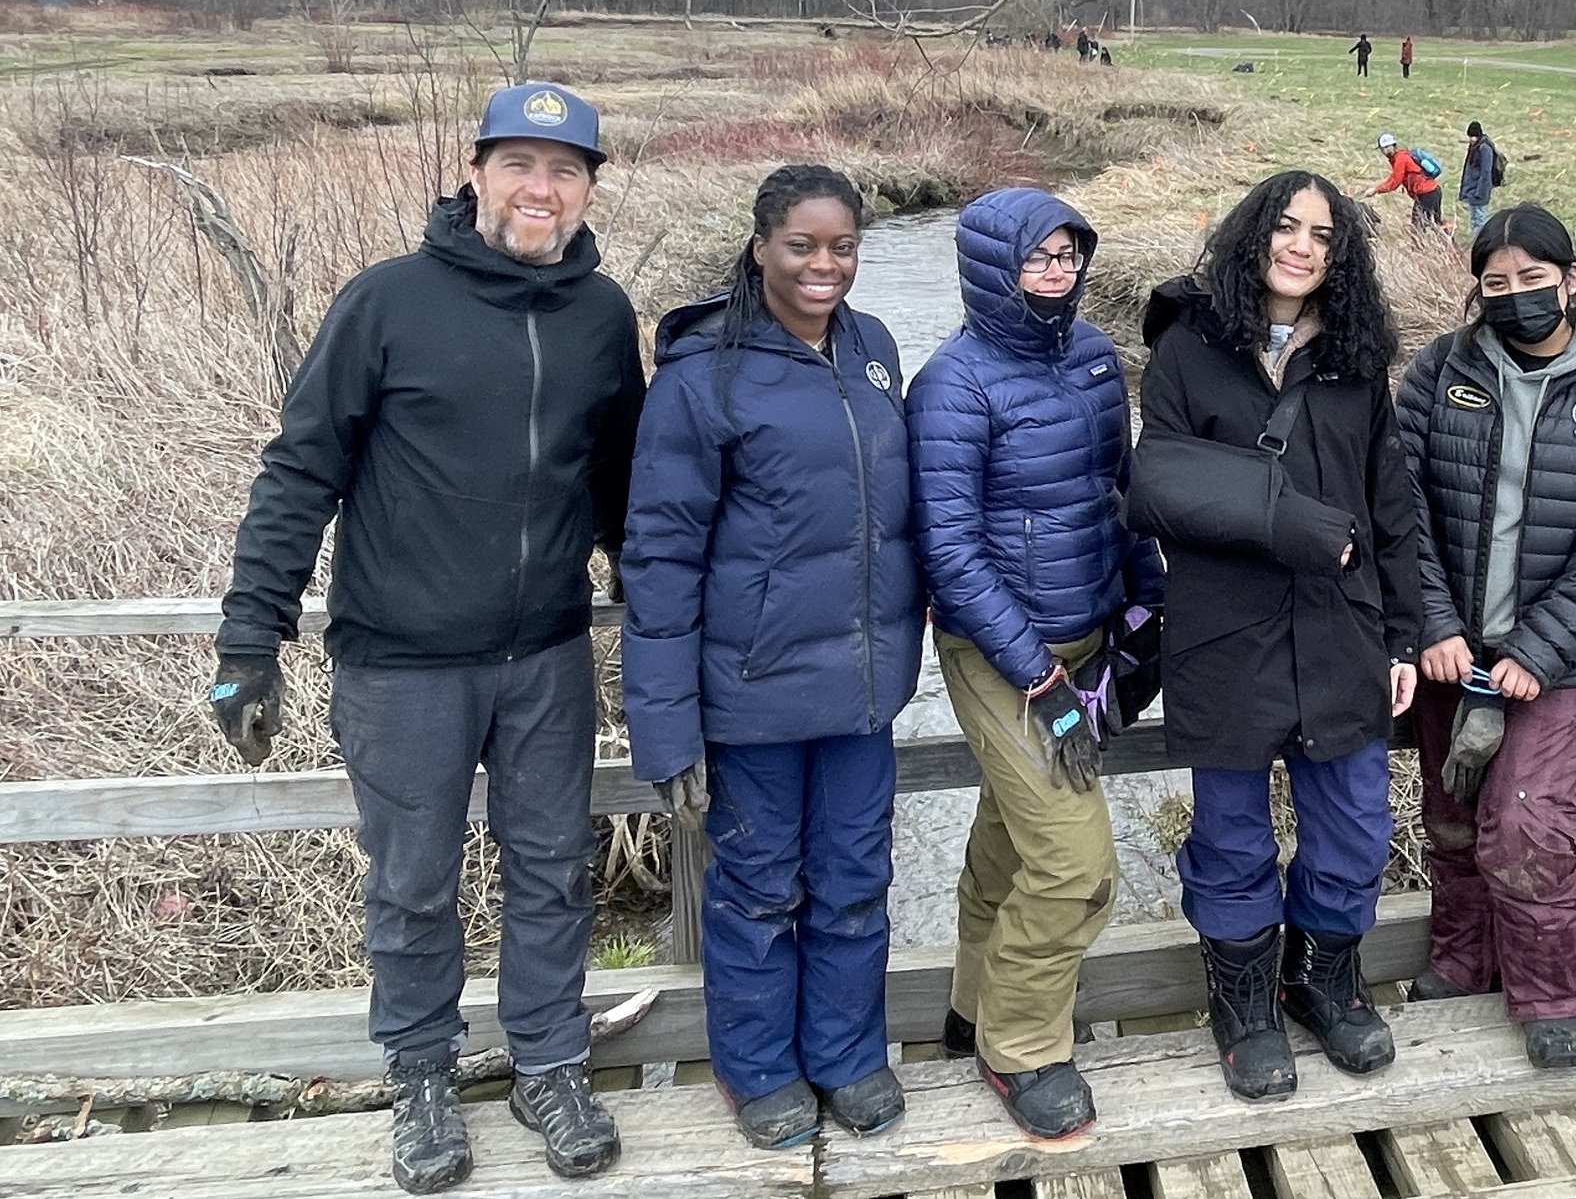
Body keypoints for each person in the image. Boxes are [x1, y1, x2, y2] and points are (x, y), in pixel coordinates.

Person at [211, 84, 645, 1195]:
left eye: (563, 171)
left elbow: (618, 490)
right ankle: (421, 1080)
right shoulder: (388, 303)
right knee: (411, 881)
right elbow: (300, 469)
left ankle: (549, 1065)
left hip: (545, 654)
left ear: (588, 187)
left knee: (551, 872)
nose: (539, 191)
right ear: (476, 175)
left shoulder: (601, 317)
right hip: (402, 661)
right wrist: (249, 638)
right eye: (518, 166)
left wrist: (662, 607)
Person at [620, 166, 919, 1152]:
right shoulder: (703, 377)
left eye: (841, 246)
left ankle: (845, 1055)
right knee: (757, 893)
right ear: (760, 247)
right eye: (803, 245)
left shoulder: (872, 349)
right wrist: (663, 727)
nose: (824, 265)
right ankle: (758, 1071)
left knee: (854, 881)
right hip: (749, 697)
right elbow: (659, 562)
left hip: (862, 692)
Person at [1127, 171, 1426, 1104]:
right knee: (1229, 837)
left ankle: (1322, 978)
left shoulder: (1354, 360)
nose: (1301, 245)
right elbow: (1163, 487)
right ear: (1252, 235)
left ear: (1341, 256)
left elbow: (1390, 507)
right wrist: (1293, 523)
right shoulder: (1187, 347)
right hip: (1226, 634)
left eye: (1323, 235)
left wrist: (1407, 637)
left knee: (1354, 828)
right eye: (1286, 227)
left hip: (1341, 631)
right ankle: (1245, 1000)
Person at [906, 188, 1166, 1142]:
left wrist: (1148, 604)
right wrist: (1041, 680)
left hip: (1088, 636)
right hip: (999, 650)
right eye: (1037, 257)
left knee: (1012, 838)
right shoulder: (952, 384)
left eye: (1068, 254)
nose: (1056, 272)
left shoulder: (1097, 358)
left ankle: (974, 1009)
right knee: (1076, 862)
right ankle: (1022, 1047)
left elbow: (1118, 491)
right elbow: (952, 551)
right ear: (991, 265)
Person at [1397, 206, 1576, 1069]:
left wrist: (1537, 654)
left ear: (1572, 278)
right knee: (1454, 816)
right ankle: (1462, 958)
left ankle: (1550, 987)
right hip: (1454, 653)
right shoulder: (1442, 370)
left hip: (1561, 661)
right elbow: (1402, 505)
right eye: (1498, 282)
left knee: (1528, 821)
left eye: (1534, 278)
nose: (1517, 296)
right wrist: (1434, 622)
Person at [1370, 132, 1445, 236]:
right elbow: (1394, 178)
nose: (1385, 150)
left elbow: (1394, 182)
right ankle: (1449, 245)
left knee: (1417, 226)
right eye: (1383, 148)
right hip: (1433, 190)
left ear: (1394, 146)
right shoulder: (1401, 156)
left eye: (1388, 147)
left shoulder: (1400, 159)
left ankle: (1418, 249)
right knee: (1435, 222)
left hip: (1426, 194)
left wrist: (1376, 190)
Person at [1458, 121, 1499, 236]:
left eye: (1473, 136)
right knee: (1475, 218)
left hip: (1479, 190)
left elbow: (1486, 172)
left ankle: (1481, 241)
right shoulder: (1475, 146)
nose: (1471, 139)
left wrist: (1480, 192)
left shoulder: (1484, 149)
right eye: (1470, 136)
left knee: (1480, 218)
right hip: (1473, 190)